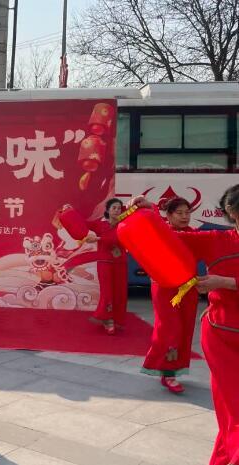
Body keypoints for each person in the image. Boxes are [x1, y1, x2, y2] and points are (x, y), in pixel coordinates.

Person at [131, 186, 239, 465]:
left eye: (186, 212)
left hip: (204, 309)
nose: (184, 216)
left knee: (231, 412)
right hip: (223, 336)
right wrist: (148, 213)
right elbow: (166, 238)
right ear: (232, 214)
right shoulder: (216, 239)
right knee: (234, 408)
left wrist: (226, 282)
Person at [141, 197, 198, 394]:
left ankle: (174, 368)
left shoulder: (195, 234)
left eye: (187, 212)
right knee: (170, 328)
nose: (184, 216)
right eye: (179, 213)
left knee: (185, 328)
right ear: (169, 215)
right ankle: (168, 373)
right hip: (165, 287)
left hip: (188, 287)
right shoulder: (161, 232)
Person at [82, 198, 128, 335]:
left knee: (119, 292)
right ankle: (108, 320)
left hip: (120, 263)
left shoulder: (124, 224)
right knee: (107, 292)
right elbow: (82, 224)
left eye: (119, 208)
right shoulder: (100, 225)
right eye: (114, 208)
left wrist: (99, 239)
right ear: (107, 210)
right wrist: (68, 212)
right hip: (104, 262)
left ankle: (116, 318)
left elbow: (119, 239)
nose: (117, 210)